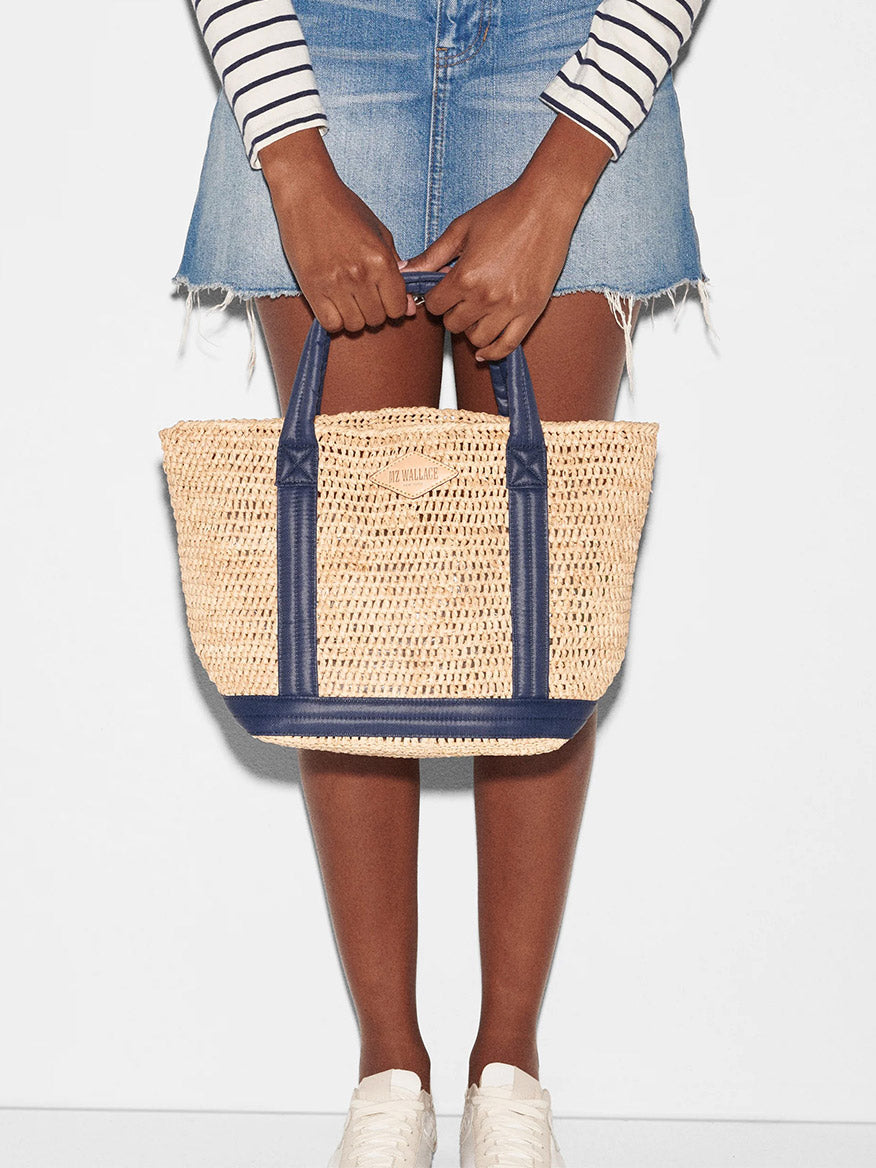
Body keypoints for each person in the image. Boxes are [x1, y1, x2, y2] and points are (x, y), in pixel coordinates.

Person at [173, 2, 710, 1165]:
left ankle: (508, 1071)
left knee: (540, 594)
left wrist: (564, 178)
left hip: (574, 44)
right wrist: (295, 160)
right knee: (357, 592)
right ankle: (389, 1075)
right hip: (318, 49)